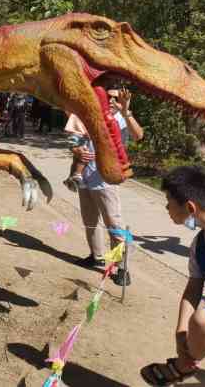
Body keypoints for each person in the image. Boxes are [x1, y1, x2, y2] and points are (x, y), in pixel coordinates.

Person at [140, 167, 205, 385]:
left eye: (169, 200)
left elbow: (203, 322)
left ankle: (181, 368)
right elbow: (193, 289)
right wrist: (181, 332)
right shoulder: (199, 247)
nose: (166, 206)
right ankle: (185, 367)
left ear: (190, 207)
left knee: (203, 320)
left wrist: (195, 328)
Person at [71, 87, 144, 286]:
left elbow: (138, 135)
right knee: (90, 222)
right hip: (85, 179)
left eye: (115, 97)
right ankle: (96, 256)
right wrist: (77, 150)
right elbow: (74, 141)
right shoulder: (88, 115)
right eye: (107, 97)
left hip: (106, 181)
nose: (110, 101)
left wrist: (126, 110)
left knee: (115, 227)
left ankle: (121, 268)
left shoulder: (121, 118)